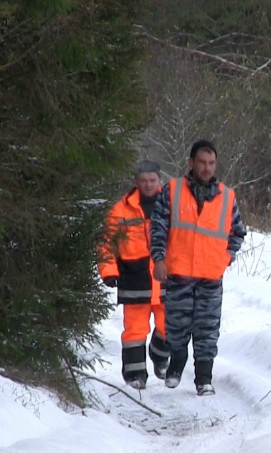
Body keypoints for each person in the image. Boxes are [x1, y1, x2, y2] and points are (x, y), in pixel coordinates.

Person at [150, 139, 246, 395]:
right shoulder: (172, 191)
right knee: (177, 325)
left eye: (211, 163)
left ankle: (204, 379)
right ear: (191, 163)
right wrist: (159, 259)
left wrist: (224, 259)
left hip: (210, 277)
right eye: (202, 163)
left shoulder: (227, 196)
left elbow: (237, 233)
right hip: (178, 272)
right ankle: (176, 364)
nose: (207, 168)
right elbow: (158, 227)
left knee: (207, 329)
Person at [98, 160, 169, 390]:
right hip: (134, 280)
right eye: (144, 181)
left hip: (166, 278)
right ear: (136, 182)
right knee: (135, 332)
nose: (148, 185)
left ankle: (160, 357)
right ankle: (135, 375)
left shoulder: (172, 207)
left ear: (160, 181)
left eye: (153, 180)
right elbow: (105, 243)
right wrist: (108, 271)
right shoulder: (120, 210)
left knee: (169, 326)